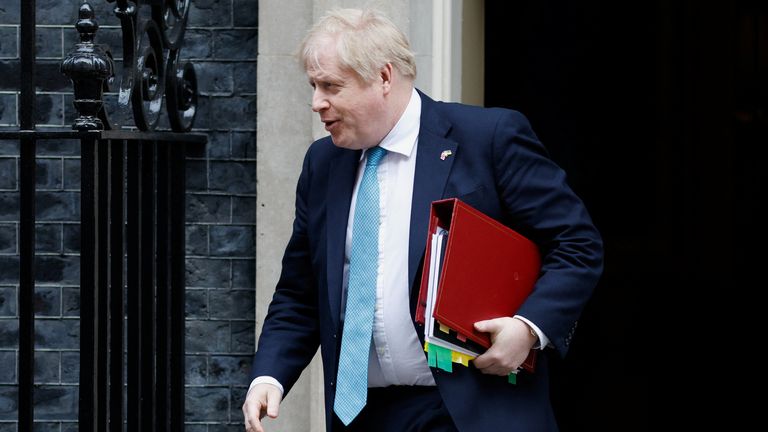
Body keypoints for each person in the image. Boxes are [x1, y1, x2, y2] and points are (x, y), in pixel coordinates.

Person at [243, 8, 603, 432]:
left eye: (331, 86)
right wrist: (269, 375)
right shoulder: (323, 163)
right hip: (364, 415)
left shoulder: (488, 137)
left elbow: (577, 244)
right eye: (314, 86)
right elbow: (300, 292)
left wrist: (529, 327)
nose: (316, 102)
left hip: (471, 410)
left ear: (383, 77)